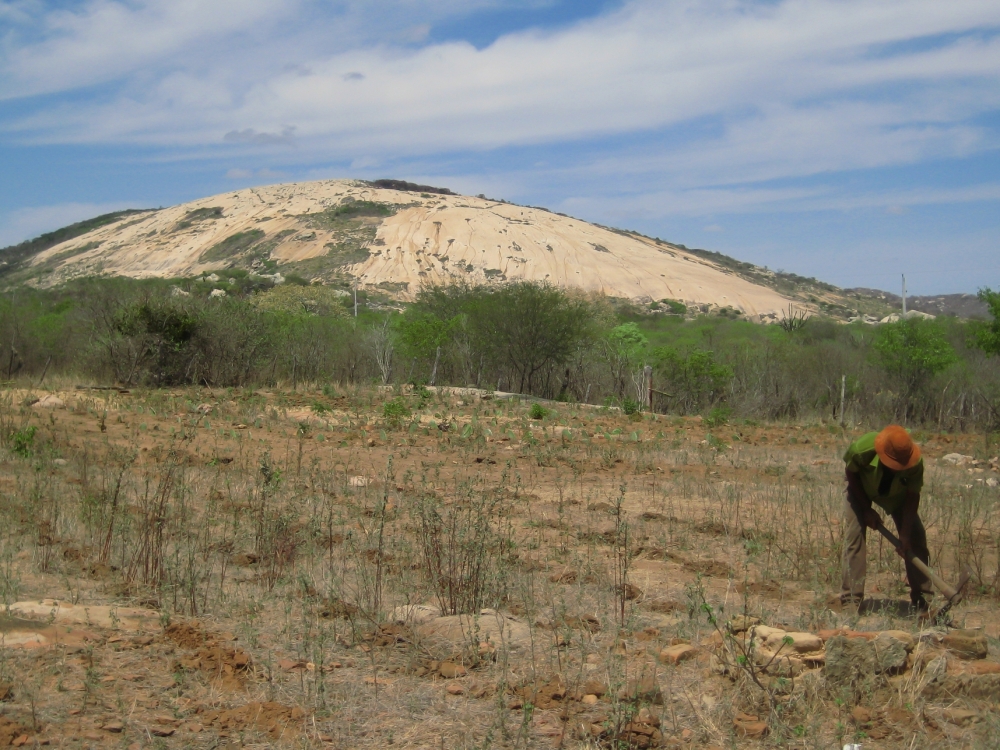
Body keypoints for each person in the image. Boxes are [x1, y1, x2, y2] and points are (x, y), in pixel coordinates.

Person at [841, 425, 932, 612]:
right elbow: (851, 472)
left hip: (896, 496)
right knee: (855, 537)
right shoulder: (863, 448)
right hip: (861, 489)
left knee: (916, 537)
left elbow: (913, 496)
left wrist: (905, 535)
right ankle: (851, 600)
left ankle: (923, 601)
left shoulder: (916, 463)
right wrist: (866, 509)